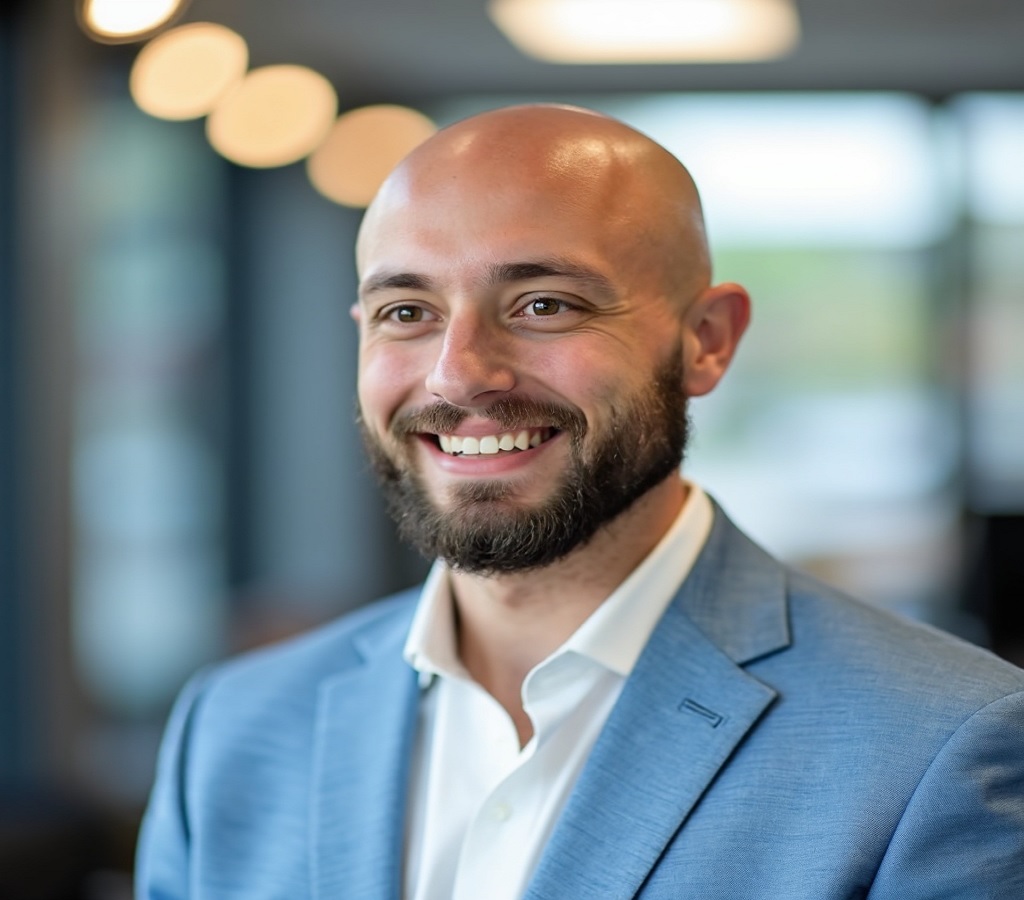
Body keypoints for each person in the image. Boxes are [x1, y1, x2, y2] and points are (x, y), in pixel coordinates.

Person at [135, 105, 1024, 899]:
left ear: (706, 342)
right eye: (406, 312)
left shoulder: (938, 743)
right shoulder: (235, 727)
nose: (458, 376)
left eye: (544, 304)